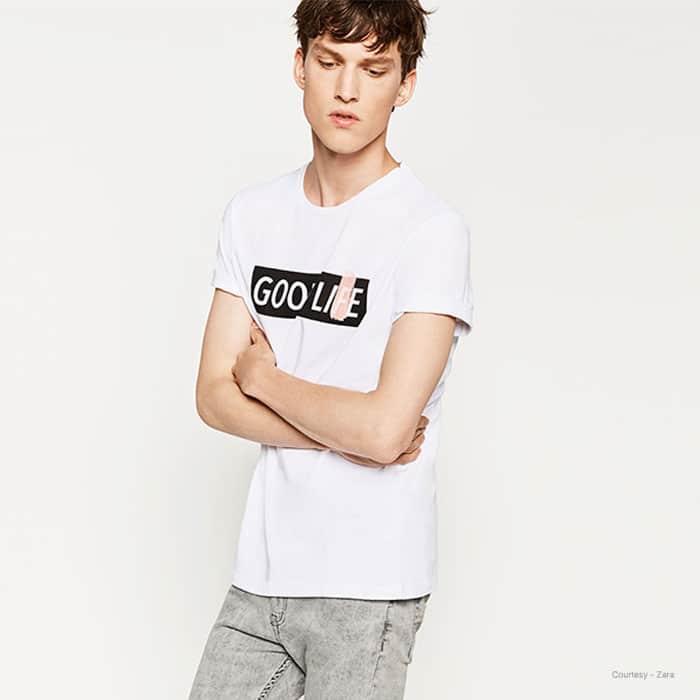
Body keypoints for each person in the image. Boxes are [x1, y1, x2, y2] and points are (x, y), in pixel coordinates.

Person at [188, 1, 474, 698]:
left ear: (404, 85)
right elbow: (213, 397)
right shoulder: (253, 215)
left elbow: (384, 430)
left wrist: (264, 378)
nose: (347, 89)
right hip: (260, 576)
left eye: (373, 69)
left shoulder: (429, 231)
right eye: (330, 62)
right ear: (300, 66)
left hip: (369, 585)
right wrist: (350, 435)